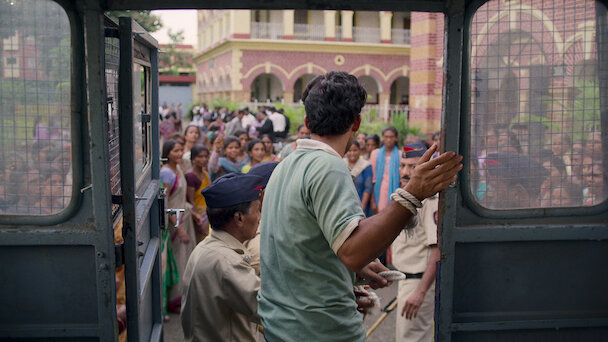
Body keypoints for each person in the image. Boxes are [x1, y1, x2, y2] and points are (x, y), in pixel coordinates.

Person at [257, 71, 462, 341]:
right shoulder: (328, 166)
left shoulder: (286, 167)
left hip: (285, 326)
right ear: (357, 122)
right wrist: (412, 193)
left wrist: (352, 271)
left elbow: (300, 248)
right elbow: (353, 251)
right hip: (320, 331)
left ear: (307, 121)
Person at [181, 173, 264, 342]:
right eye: (257, 210)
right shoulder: (228, 262)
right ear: (239, 218)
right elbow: (268, 307)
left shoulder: (206, 248)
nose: (260, 217)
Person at [392, 142, 439, 342]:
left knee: (413, 339)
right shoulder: (410, 197)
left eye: (412, 166)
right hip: (406, 281)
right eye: (403, 165)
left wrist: (420, 292)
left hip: (418, 282)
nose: (405, 172)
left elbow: (438, 249)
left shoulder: (430, 201)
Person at [370, 126, 401, 212]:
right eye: (386, 137)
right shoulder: (375, 154)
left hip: (394, 190)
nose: (388, 140)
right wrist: (372, 200)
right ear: (383, 138)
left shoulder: (400, 155)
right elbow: (373, 179)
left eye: (391, 137)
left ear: (396, 138)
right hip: (379, 190)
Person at [185, 145, 211, 242]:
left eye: (206, 156)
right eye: (200, 157)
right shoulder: (191, 176)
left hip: (206, 212)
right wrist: (199, 222)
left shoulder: (204, 173)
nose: (204, 159)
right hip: (198, 215)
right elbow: (191, 201)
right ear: (193, 159)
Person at [344, 141, 373, 216]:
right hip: (343, 205)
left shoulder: (366, 166)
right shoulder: (342, 163)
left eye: (355, 150)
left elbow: (368, 188)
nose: (352, 153)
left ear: (359, 151)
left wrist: (362, 207)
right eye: (349, 151)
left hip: (359, 204)